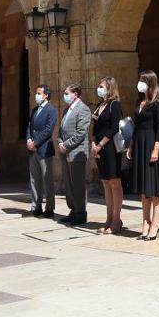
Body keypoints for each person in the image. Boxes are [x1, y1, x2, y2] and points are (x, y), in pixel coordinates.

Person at [126, 70, 159, 240]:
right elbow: (136, 126)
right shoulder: (139, 100)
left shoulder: (157, 103)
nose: (139, 83)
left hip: (150, 143)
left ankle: (156, 222)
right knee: (143, 186)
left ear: (150, 82)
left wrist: (156, 148)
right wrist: (131, 145)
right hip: (139, 143)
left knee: (154, 186)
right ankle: (145, 221)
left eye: (142, 80)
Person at [90, 76, 125, 234]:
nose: (99, 88)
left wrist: (100, 144)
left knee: (114, 182)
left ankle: (117, 220)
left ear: (110, 88)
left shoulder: (114, 105)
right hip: (98, 148)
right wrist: (93, 144)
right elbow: (95, 127)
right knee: (105, 182)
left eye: (102, 86)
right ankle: (108, 218)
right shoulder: (99, 105)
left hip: (109, 147)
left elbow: (114, 128)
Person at [57, 84, 91, 226]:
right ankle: (73, 209)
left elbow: (81, 132)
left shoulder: (83, 109)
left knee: (78, 184)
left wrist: (66, 145)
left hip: (77, 153)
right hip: (65, 153)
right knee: (69, 184)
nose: (64, 96)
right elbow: (61, 130)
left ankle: (81, 212)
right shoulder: (66, 110)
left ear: (75, 94)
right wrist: (60, 142)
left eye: (67, 93)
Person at [26, 85, 57, 217]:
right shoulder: (34, 110)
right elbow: (29, 126)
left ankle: (49, 208)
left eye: (39, 93)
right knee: (34, 179)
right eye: (36, 93)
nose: (36, 95)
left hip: (44, 149)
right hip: (32, 150)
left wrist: (36, 142)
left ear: (46, 95)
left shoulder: (51, 110)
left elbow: (48, 130)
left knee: (46, 179)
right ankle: (36, 206)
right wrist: (28, 140)